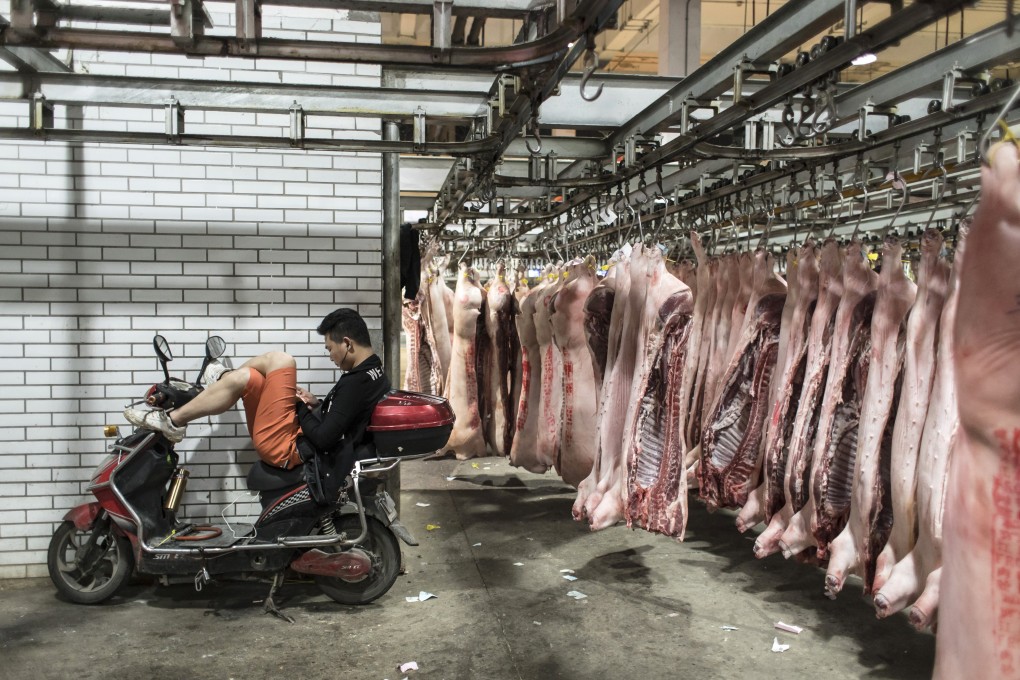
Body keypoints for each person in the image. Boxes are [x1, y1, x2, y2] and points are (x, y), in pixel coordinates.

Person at [124, 308, 391, 470]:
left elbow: (323, 438)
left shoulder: (357, 381)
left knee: (282, 360)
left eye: (330, 349)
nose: (331, 356)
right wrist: (316, 402)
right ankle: (221, 380)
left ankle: (175, 416)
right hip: (293, 438)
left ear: (347, 343)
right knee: (249, 379)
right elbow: (347, 413)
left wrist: (297, 405)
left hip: (285, 448)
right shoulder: (373, 370)